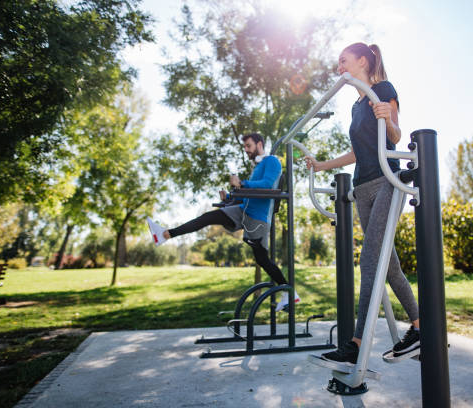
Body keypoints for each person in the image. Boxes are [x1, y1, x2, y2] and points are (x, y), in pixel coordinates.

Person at [306, 43, 420, 365]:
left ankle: (356, 344)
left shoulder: (382, 89)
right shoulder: (357, 106)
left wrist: (387, 116)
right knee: (390, 265)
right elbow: (357, 152)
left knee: (369, 261)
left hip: (387, 182)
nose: (339, 66)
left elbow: (394, 137)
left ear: (362, 60)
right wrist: (321, 165)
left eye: (343, 60)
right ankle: (420, 326)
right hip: (363, 187)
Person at [148, 133, 299, 312]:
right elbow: (247, 197)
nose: (246, 150)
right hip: (244, 212)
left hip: (257, 219)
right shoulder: (257, 166)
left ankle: (290, 293)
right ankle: (165, 234)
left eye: (249, 146)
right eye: (245, 147)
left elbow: (267, 185)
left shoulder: (272, 161)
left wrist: (241, 184)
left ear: (259, 144)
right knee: (208, 217)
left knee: (262, 259)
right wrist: (228, 197)